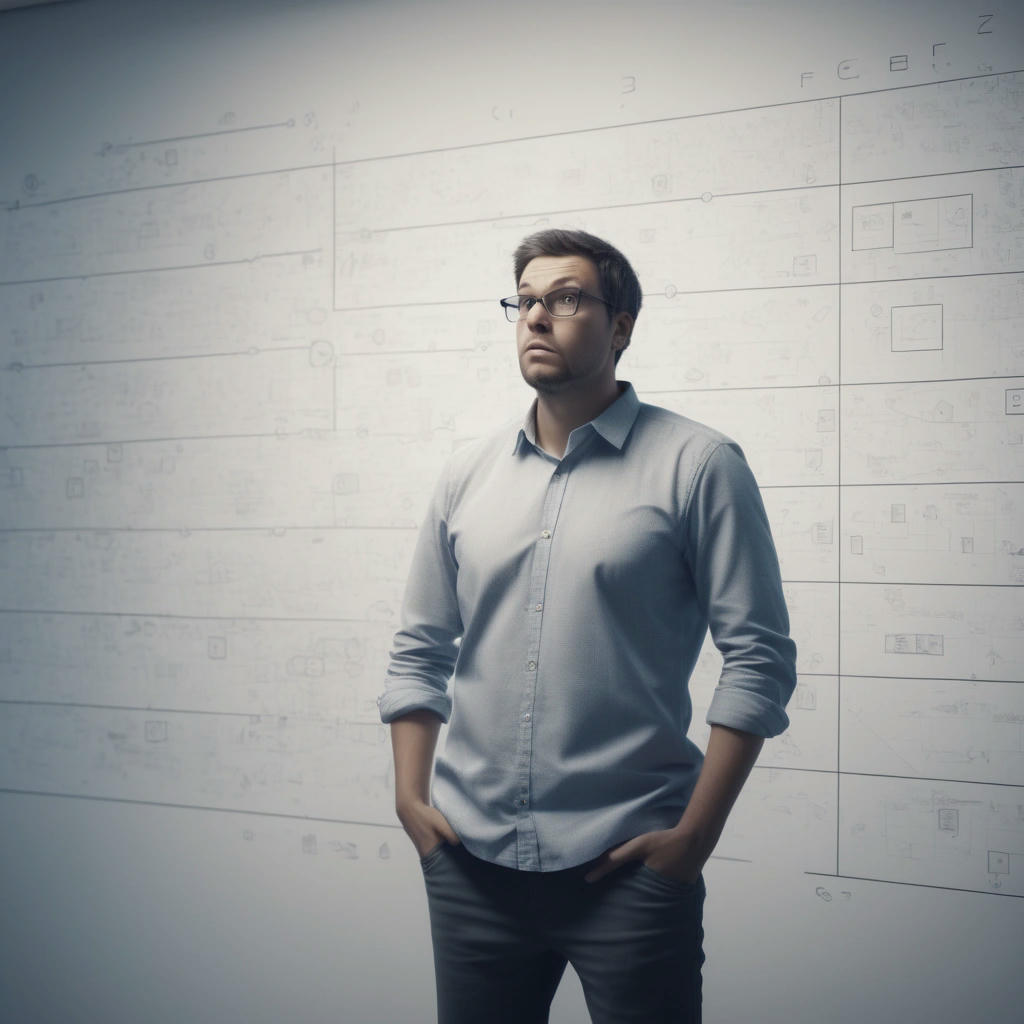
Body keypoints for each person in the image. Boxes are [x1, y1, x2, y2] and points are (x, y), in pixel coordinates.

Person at [377, 228, 797, 1023]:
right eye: (525, 300)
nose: (537, 317)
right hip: (472, 867)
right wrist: (409, 797)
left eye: (566, 297)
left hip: (630, 868)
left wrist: (693, 839)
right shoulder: (466, 473)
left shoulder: (700, 465)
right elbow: (420, 645)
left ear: (621, 325)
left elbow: (759, 659)